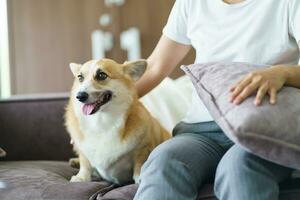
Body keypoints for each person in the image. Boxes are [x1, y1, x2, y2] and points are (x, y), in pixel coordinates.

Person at [133, 0, 300, 200]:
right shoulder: (191, 3)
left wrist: (282, 73)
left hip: (262, 130)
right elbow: (154, 66)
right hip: (200, 133)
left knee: (238, 169)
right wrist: (99, 101)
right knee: (163, 161)